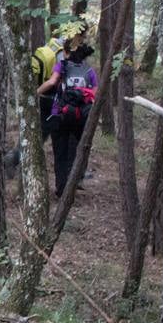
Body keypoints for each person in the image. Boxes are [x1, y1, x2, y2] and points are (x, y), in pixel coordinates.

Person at [38, 26, 98, 198]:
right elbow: (95, 94)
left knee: (60, 153)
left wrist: (35, 93)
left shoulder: (61, 66)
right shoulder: (89, 71)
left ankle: (60, 188)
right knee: (73, 153)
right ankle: (70, 190)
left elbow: (51, 83)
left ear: (67, 52)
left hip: (61, 114)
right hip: (80, 118)